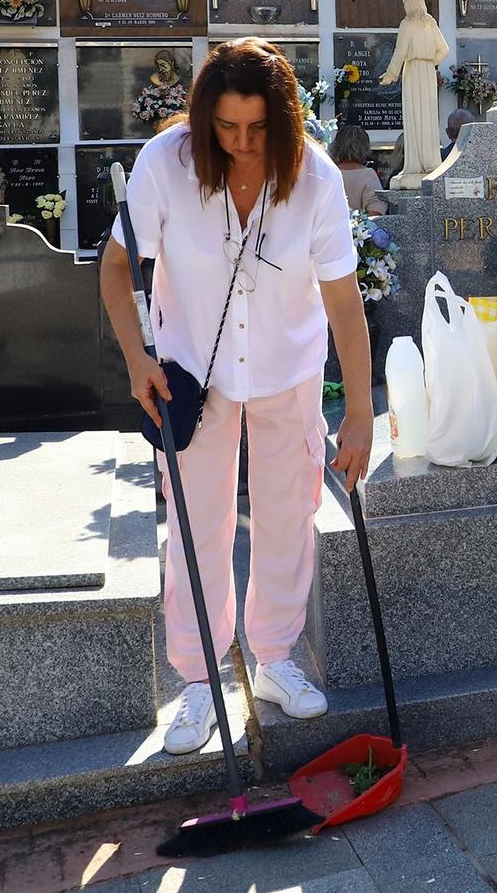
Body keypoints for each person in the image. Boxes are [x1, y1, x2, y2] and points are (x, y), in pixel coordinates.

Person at [100, 38, 375, 756]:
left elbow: (344, 300)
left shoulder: (313, 177)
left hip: (288, 365)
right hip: (191, 370)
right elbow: (116, 265)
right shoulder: (166, 164)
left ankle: (275, 658)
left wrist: (361, 412)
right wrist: (136, 360)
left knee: (289, 511)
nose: (242, 143)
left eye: (257, 129)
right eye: (226, 127)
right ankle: (197, 679)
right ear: (204, 118)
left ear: (282, 123)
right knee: (199, 522)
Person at [381, 0, 449, 189]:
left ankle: (415, 166)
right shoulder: (431, 23)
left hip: (412, 71)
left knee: (414, 116)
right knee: (427, 117)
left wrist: (391, 74)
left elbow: (400, 51)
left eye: (405, 4)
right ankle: (431, 163)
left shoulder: (407, 24)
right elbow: (444, 50)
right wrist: (429, 62)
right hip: (428, 72)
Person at [330, 124, 387, 215]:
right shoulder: (367, 174)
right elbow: (375, 211)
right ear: (364, 148)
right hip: (357, 228)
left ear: (335, 146)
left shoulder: (327, 173)